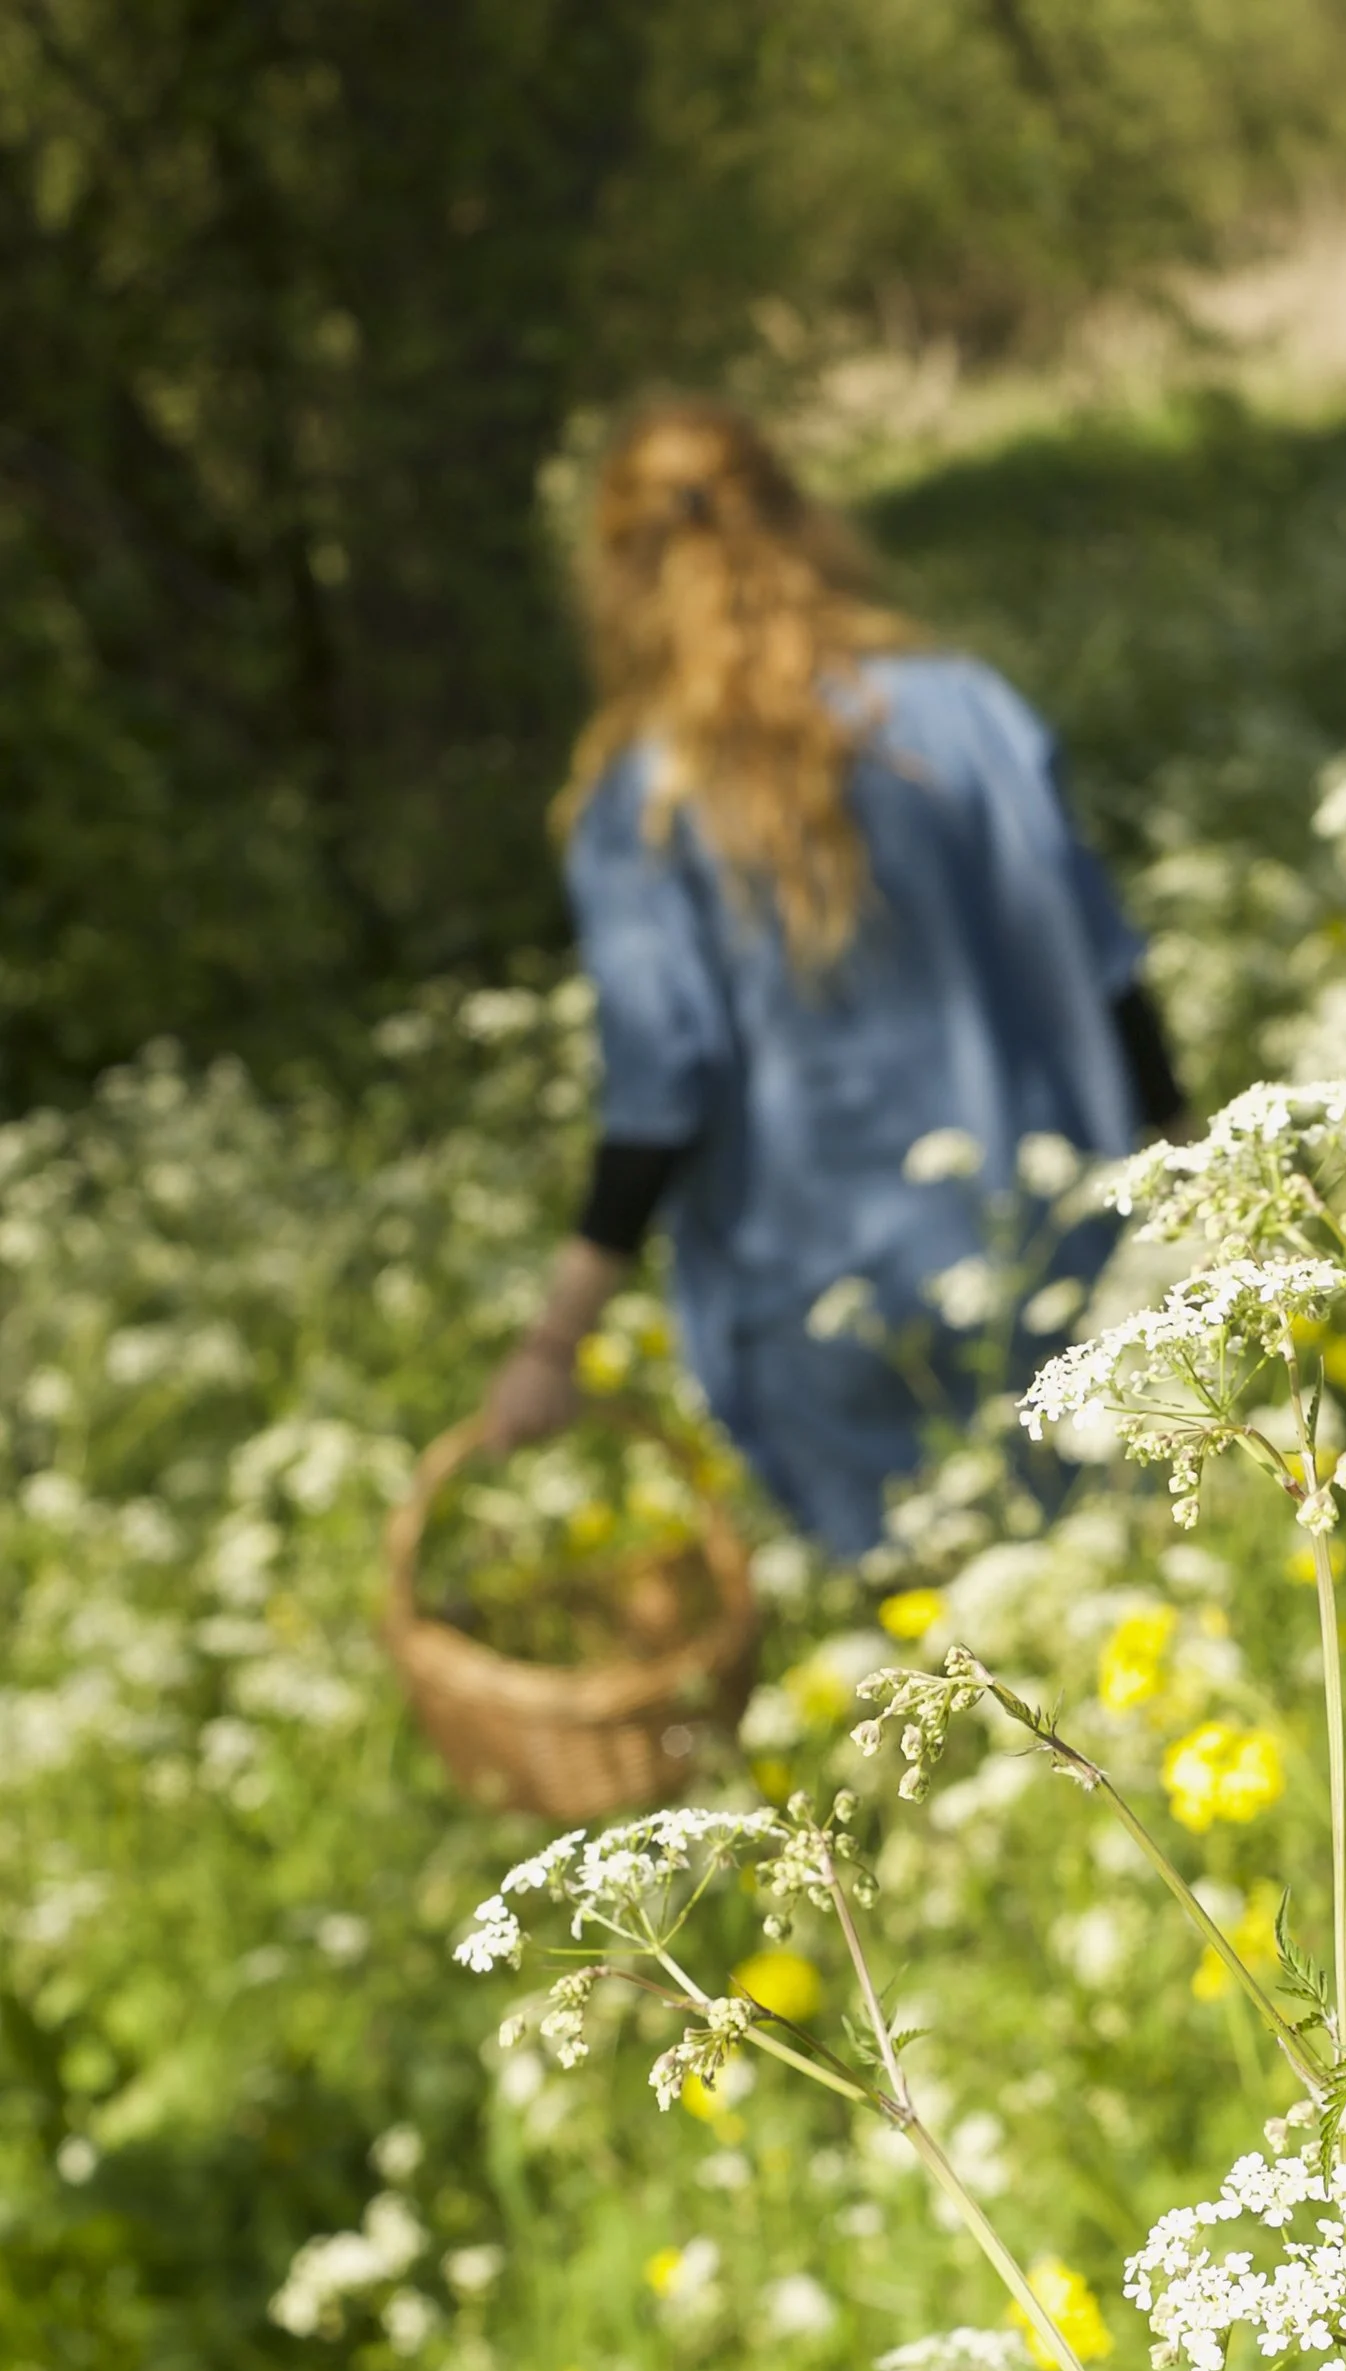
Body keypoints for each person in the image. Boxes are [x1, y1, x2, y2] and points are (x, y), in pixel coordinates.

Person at [480, 398, 1184, 1558]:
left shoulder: (645, 801)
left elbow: (664, 1090)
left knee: (935, 1665)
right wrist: (1201, 1186)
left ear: (616, 577)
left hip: (831, 1312)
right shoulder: (970, 713)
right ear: (801, 517)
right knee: (1121, 1610)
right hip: (1057, 1254)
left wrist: (552, 1344)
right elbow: (1113, 980)